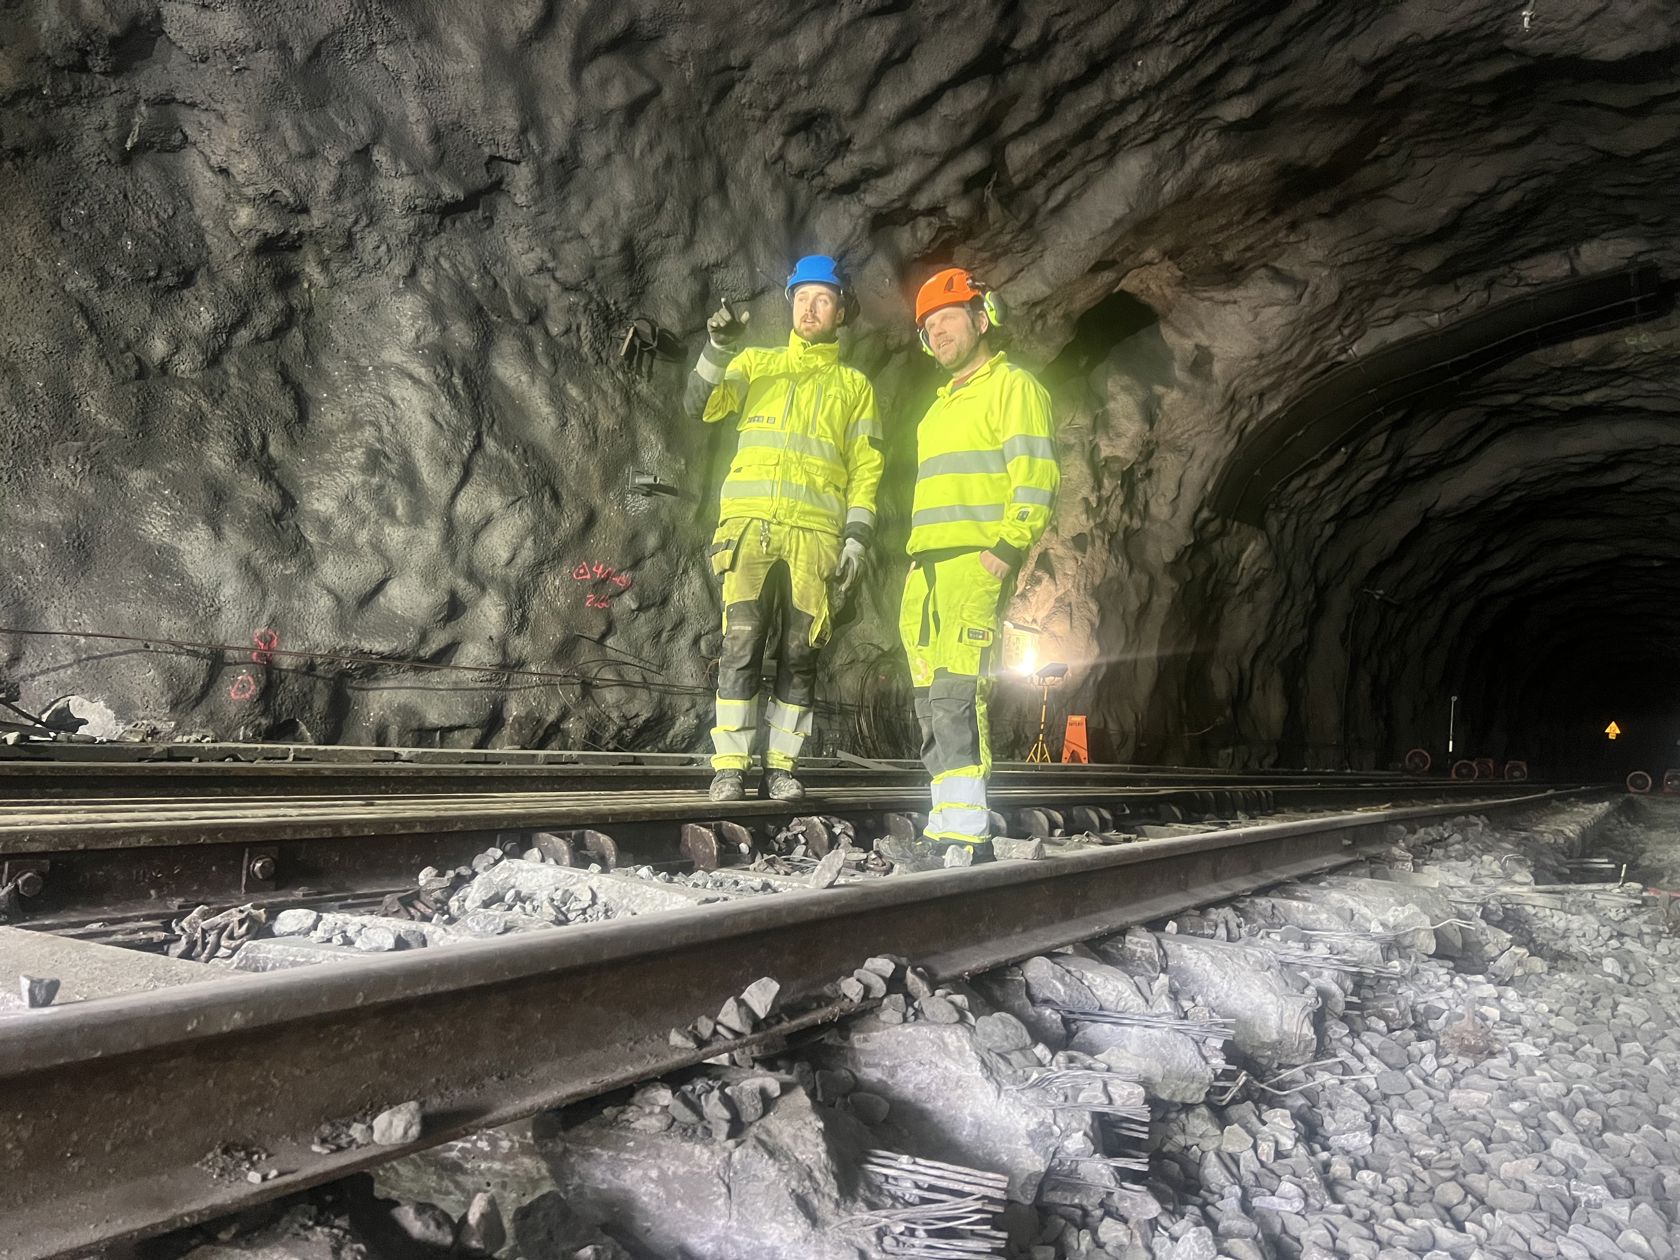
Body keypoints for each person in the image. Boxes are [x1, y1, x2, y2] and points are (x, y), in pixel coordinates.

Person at [684, 255, 884, 802]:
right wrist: (718, 346)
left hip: (815, 537)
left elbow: (867, 470)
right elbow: (699, 404)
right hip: (749, 529)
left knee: (801, 653)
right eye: (801, 298)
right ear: (790, 305)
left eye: (822, 299)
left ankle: (781, 767)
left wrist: (856, 540)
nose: (809, 308)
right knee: (741, 643)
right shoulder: (755, 363)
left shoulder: (854, 387)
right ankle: (729, 766)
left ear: (841, 310)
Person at [886, 266, 1059, 865]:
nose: (939, 334)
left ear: (983, 319)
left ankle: (965, 825)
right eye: (930, 327)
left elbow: (1033, 478)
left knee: (958, 691)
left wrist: (1006, 549)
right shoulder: (935, 411)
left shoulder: (1013, 387)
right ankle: (946, 814)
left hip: (973, 563)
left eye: (949, 320)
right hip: (927, 568)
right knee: (929, 694)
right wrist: (915, 563)